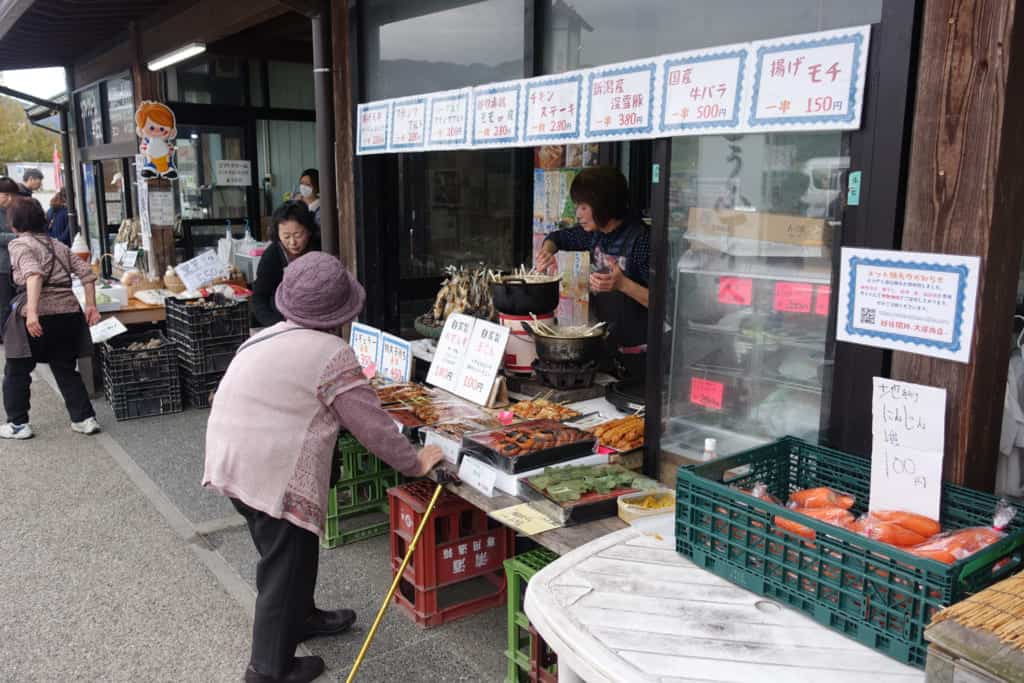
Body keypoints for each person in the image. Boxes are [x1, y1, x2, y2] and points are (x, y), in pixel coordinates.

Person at [203, 252, 444, 683]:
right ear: (342, 311)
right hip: (269, 473)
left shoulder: (264, 336)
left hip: (230, 460)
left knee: (292, 550)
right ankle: (267, 670)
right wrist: (415, 462)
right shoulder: (332, 353)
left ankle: (303, 615)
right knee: (283, 565)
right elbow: (373, 427)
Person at [535, 166, 651, 378]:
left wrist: (623, 285)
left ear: (603, 204)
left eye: (584, 207)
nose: (578, 214)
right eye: (578, 206)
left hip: (643, 356)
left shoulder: (642, 240)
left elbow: (664, 303)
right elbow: (558, 238)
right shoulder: (594, 234)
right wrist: (546, 252)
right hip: (607, 348)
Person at [2, 197, 102, 440]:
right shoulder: (57, 244)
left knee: (16, 369)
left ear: (14, 223)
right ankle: (84, 419)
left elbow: (33, 275)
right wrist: (91, 306)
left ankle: (18, 424)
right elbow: (87, 274)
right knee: (66, 367)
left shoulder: (19, 244)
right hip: (68, 313)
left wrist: (33, 313)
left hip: (37, 315)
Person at [252, 201, 317, 328]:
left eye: (298, 235)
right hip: (281, 321)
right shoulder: (272, 256)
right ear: (278, 234)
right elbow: (259, 298)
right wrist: (277, 325)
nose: (293, 242)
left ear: (309, 231)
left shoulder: (318, 249)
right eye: (286, 236)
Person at [0, 176, 20, 341]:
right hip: (2, 267)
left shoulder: (14, 210)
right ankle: (6, 336)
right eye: (5, 195)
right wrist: (17, 236)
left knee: (16, 302)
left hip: (16, 265)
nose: (10, 199)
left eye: (12, 195)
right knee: (4, 304)